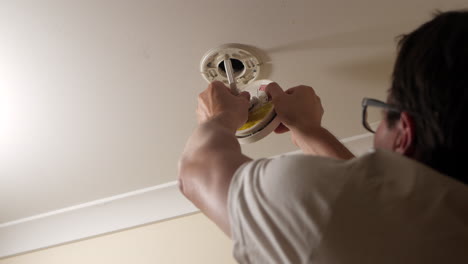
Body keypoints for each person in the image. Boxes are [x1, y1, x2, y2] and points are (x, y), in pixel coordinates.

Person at [178, 10, 468, 263]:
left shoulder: (312, 199)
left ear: (404, 133)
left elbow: (197, 173)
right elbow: (373, 209)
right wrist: (309, 131)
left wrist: (219, 117)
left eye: (382, 113)